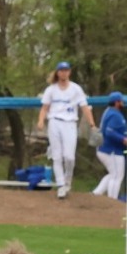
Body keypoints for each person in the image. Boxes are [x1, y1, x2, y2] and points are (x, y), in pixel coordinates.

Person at [38, 62, 95, 200]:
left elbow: (84, 107)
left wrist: (92, 124)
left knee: (69, 157)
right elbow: (45, 108)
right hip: (54, 122)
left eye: (66, 70)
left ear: (69, 72)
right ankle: (61, 185)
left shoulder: (76, 89)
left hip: (69, 123)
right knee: (57, 156)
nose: (64, 73)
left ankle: (68, 180)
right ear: (57, 72)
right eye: (61, 70)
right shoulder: (51, 89)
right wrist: (40, 120)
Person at [92, 92, 127, 201]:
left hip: (106, 149)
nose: (123, 103)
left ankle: (96, 193)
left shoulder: (109, 112)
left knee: (113, 174)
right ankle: (112, 201)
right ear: (117, 102)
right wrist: (123, 139)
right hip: (111, 150)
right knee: (117, 176)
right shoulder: (114, 114)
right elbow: (110, 132)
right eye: (122, 101)